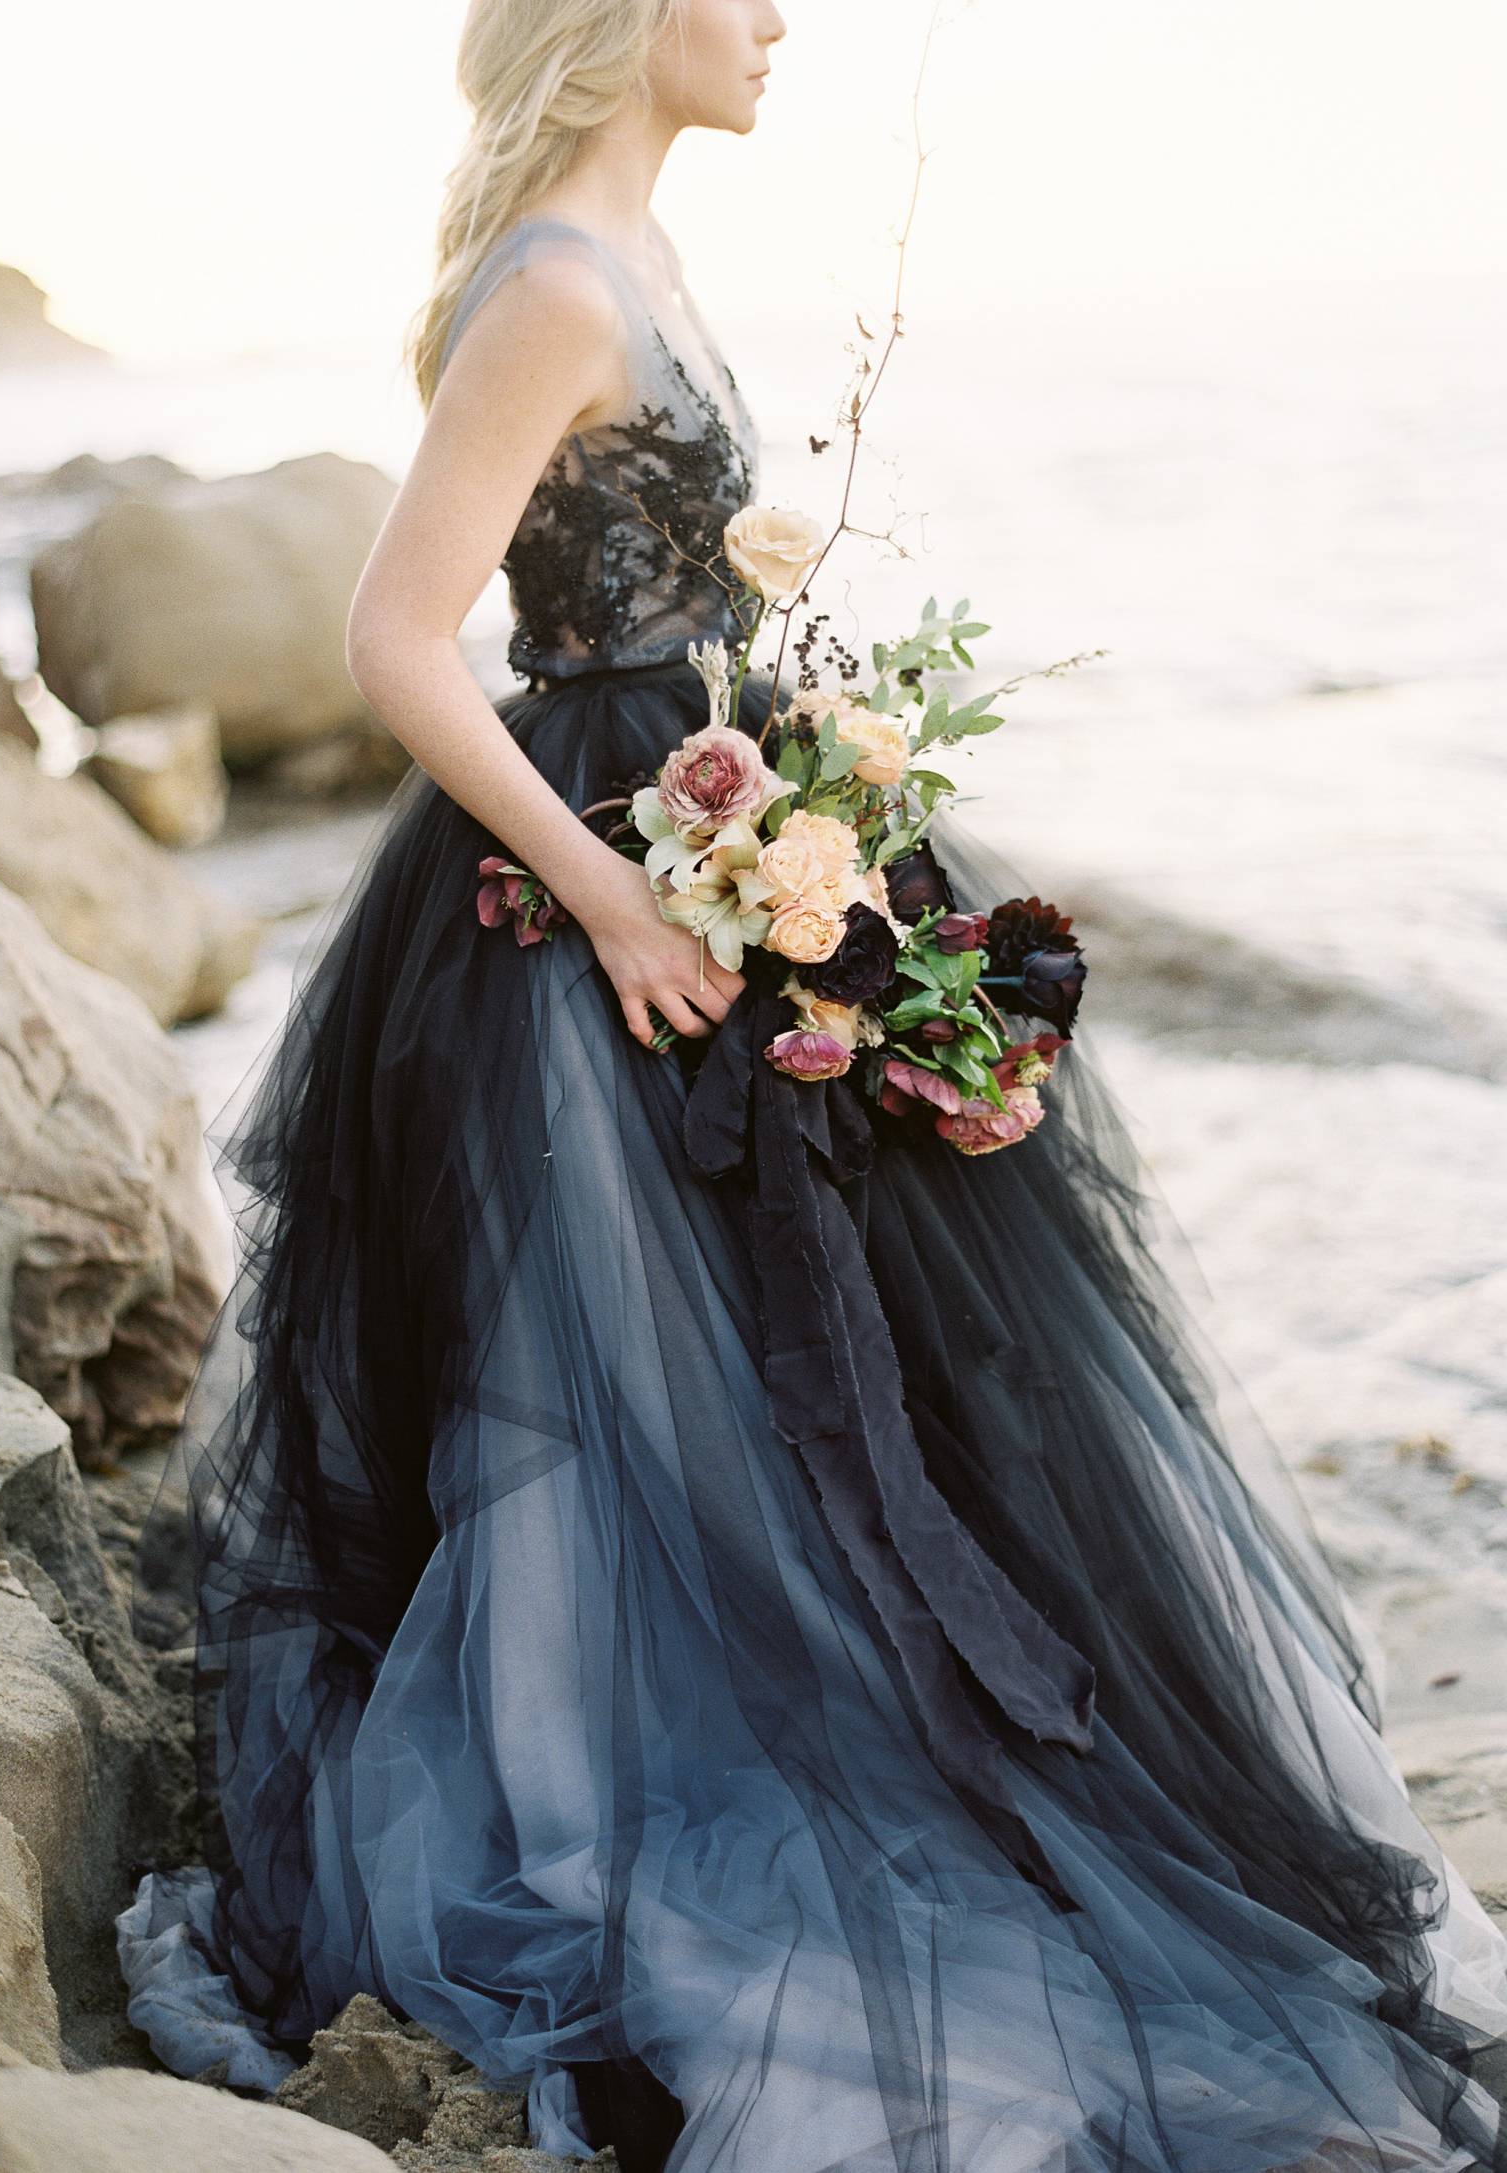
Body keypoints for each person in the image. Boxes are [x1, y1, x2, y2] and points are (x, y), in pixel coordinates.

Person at [116, 2, 1507, 2166]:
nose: (774, 19)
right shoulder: (555, 286)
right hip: (596, 903)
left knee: (820, 1377)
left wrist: (818, 789)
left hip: (716, 837)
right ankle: (640, 1793)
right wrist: (608, 898)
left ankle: (896, 1742)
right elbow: (401, 637)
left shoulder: (637, 256)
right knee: (619, 1397)